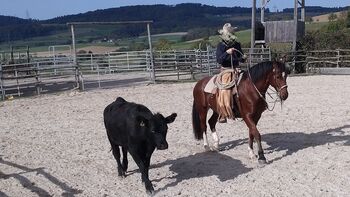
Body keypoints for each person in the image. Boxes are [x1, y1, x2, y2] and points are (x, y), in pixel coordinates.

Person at [215, 23, 247, 123]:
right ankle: (223, 113)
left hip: (237, 69)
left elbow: (240, 58)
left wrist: (243, 58)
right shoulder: (221, 45)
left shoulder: (237, 44)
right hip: (226, 70)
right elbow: (219, 60)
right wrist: (227, 53)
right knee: (225, 89)